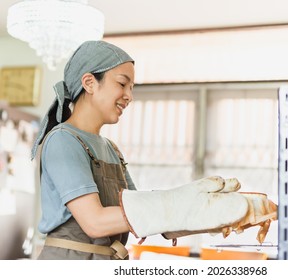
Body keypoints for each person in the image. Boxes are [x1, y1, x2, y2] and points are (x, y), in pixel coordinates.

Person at [30, 40, 259, 260]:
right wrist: (181, 204)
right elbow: (95, 222)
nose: (129, 96)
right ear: (89, 82)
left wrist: (215, 215)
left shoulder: (111, 149)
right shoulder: (63, 141)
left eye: (131, 87)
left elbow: (145, 218)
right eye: (122, 84)